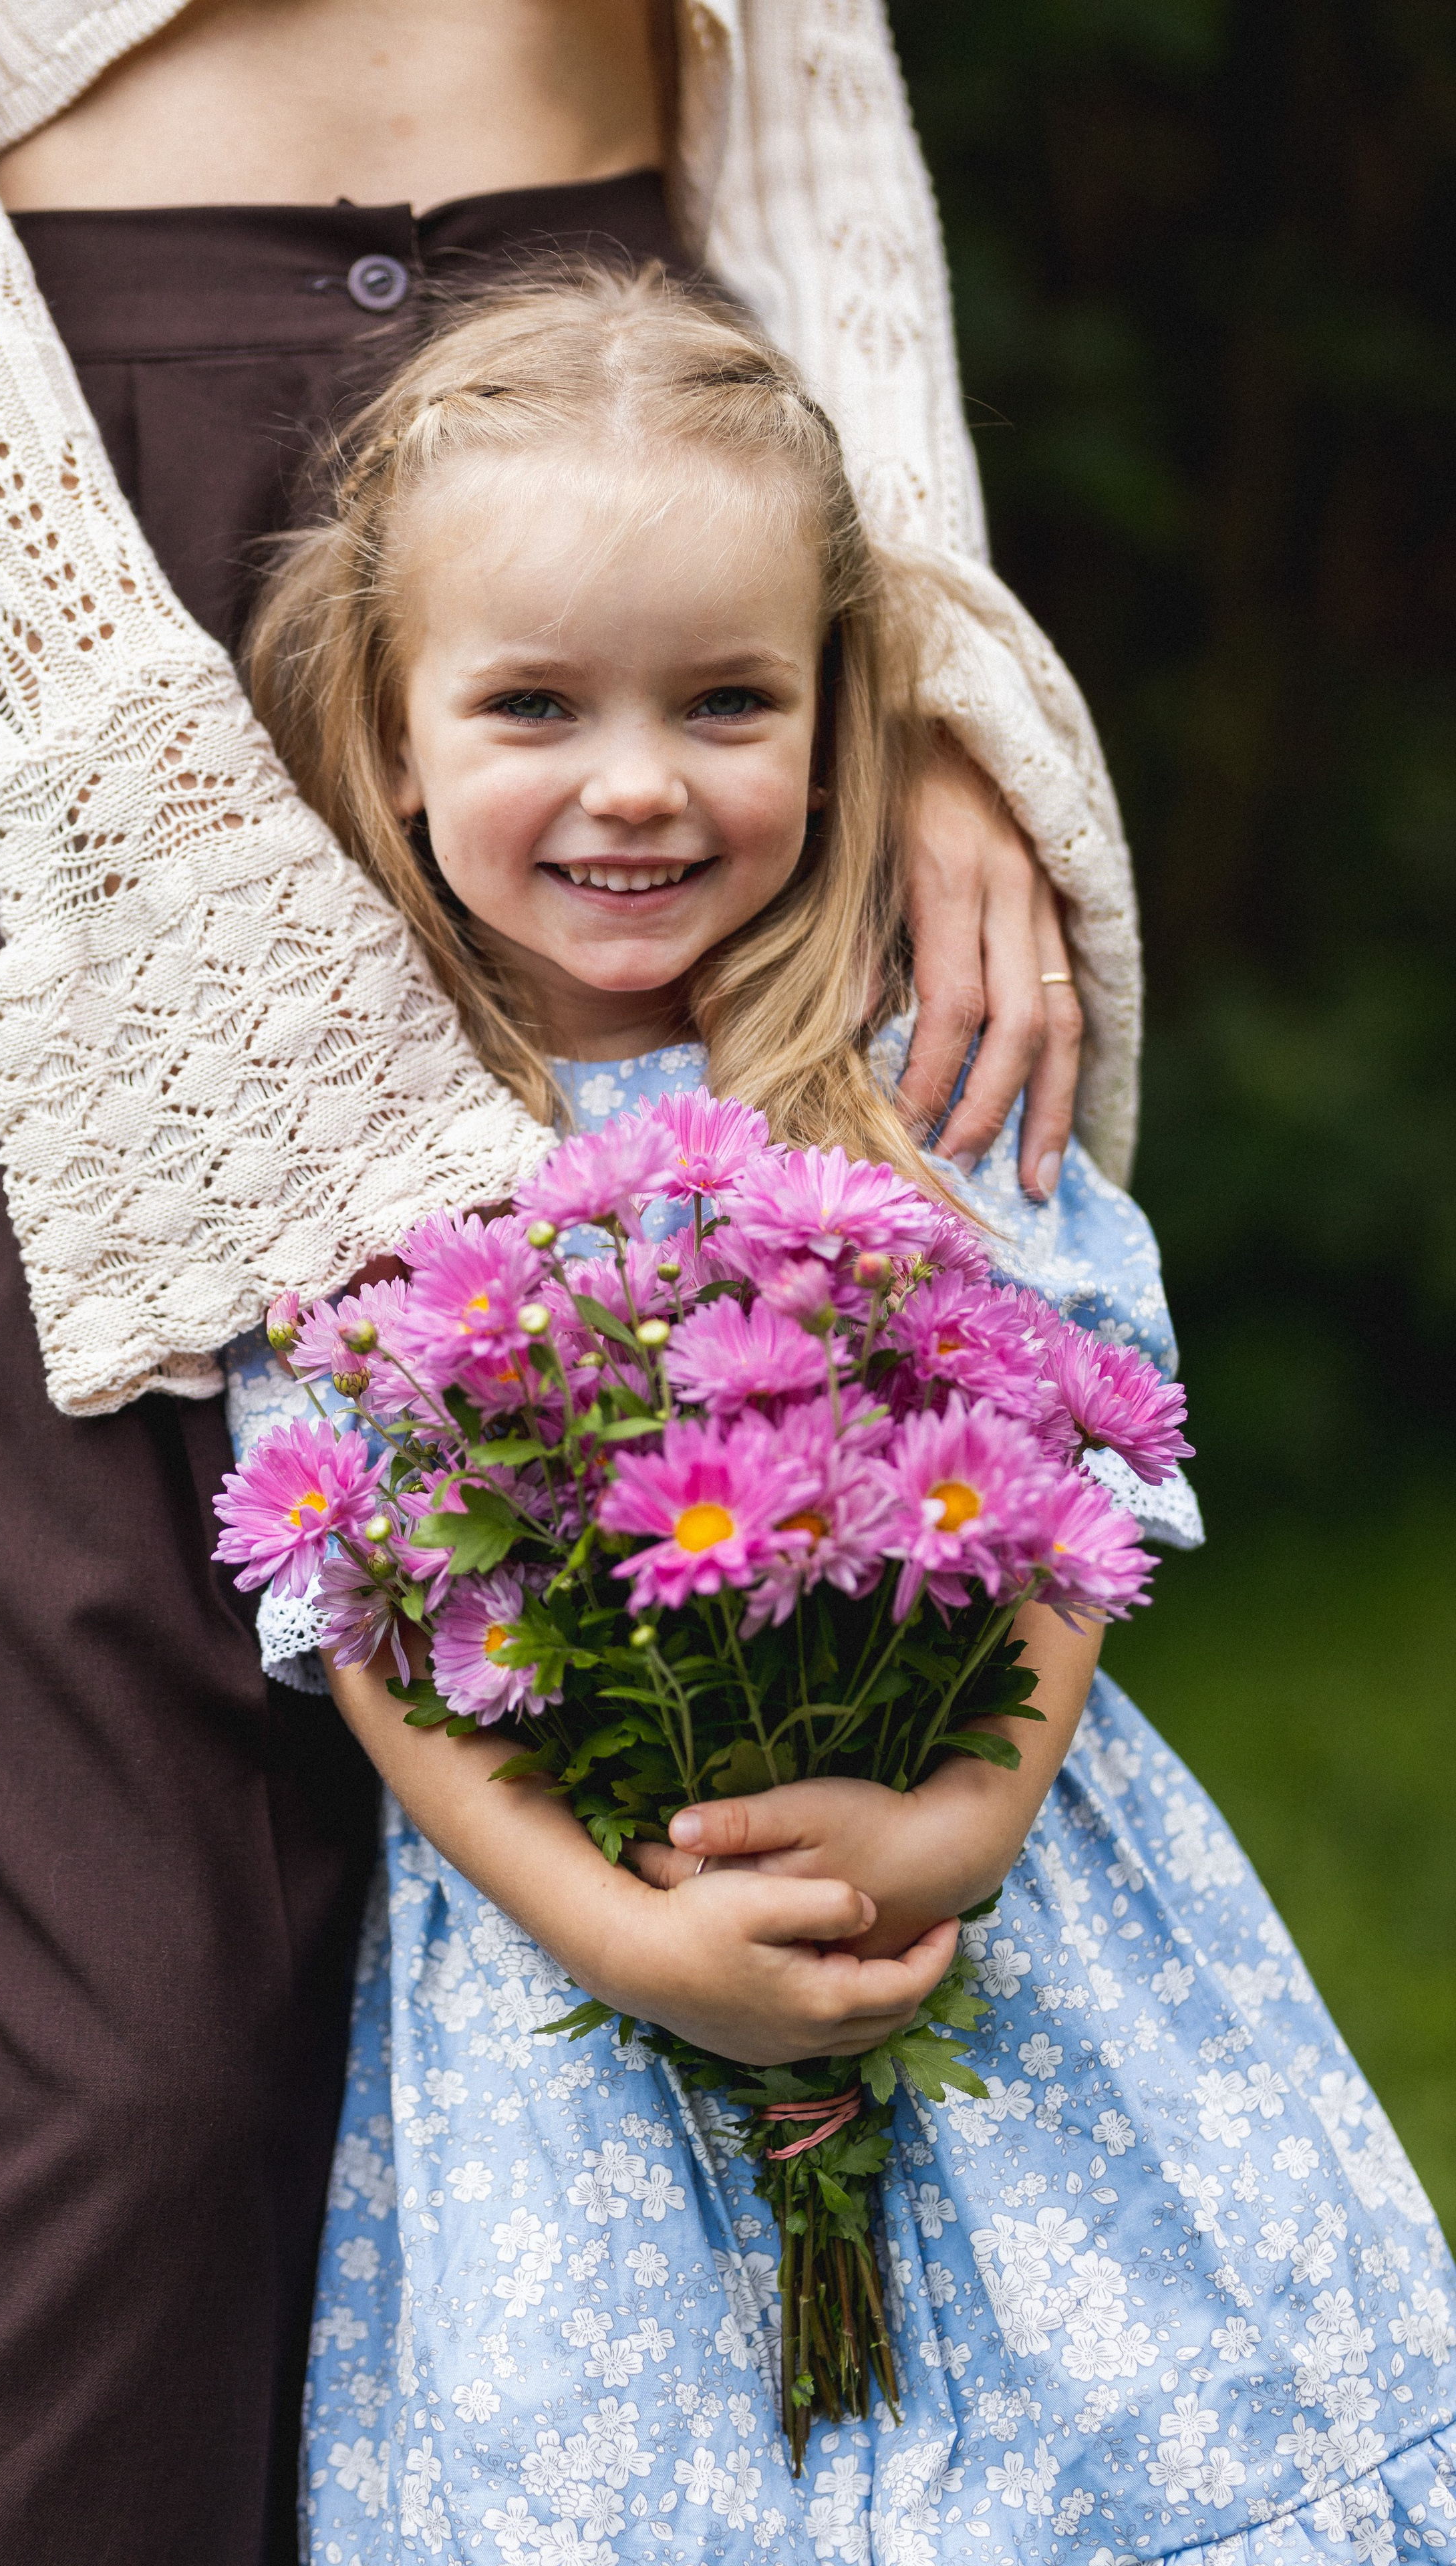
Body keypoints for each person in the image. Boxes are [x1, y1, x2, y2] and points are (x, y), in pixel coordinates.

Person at [0, 6, 1137, 2561]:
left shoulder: (723, 701)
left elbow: (805, 97)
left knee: (710, 2010)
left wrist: (906, 665)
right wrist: (161, 798)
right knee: (146, 2056)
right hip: (76, 560)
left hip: (634, 486)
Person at [227, 267, 1456, 2565]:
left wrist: (965, 1822)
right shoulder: (368, 1154)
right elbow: (364, 1615)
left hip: (989, 1902)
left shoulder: (911, 1079)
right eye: (530, 704)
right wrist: (618, 1937)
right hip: (577, 1962)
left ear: (844, 718)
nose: (633, 782)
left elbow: (1079, 1473)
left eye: (725, 701)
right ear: (387, 735)